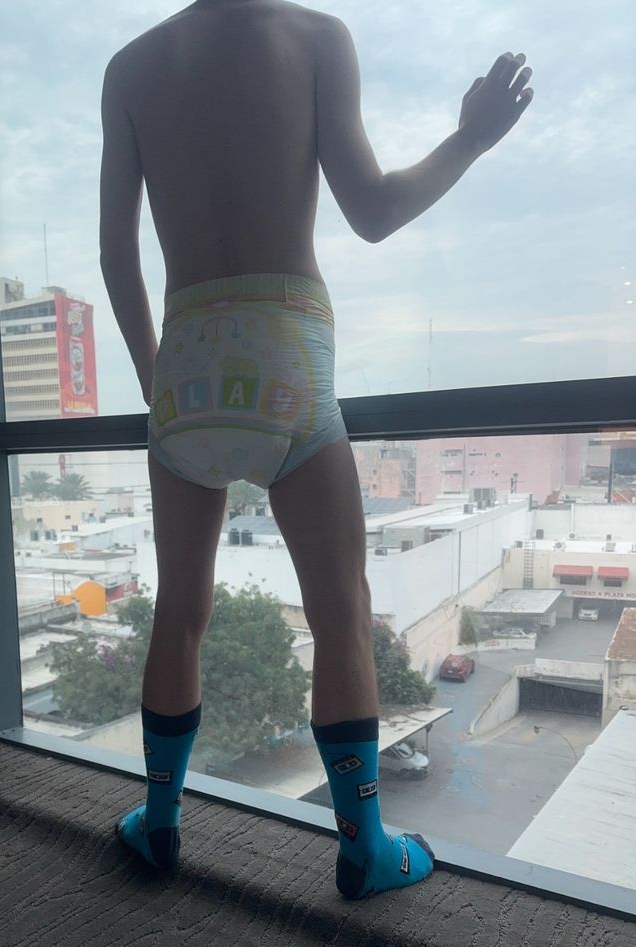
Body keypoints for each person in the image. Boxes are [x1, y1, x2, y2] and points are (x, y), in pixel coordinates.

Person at [99, 0, 533, 898]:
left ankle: (159, 822)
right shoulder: (314, 38)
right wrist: (470, 139)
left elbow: (115, 253)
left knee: (179, 612)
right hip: (282, 350)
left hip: (183, 362)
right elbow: (371, 211)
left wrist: (157, 380)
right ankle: (363, 848)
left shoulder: (131, 66)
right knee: (340, 612)